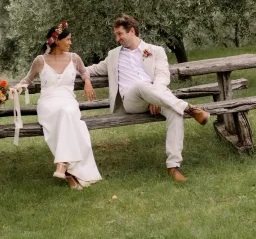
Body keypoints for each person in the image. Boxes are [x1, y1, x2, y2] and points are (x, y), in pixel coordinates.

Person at [85, 15, 210, 182]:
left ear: (131, 31)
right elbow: (91, 69)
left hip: (156, 97)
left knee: (175, 113)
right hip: (131, 101)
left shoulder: (156, 50)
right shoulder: (113, 55)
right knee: (141, 85)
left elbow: (163, 76)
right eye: (116, 34)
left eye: (119, 34)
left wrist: (154, 98)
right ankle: (190, 108)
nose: (117, 38)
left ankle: (173, 167)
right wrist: (76, 72)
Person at [16, 21, 102, 190]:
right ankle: (65, 166)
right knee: (67, 115)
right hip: (48, 104)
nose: (70, 43)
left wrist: (87, 81)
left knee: (67, 111)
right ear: (56, 40)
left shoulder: (74, 58)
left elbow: (84, 71)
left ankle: (63, 165)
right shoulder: (40, 61)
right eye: (68, 39)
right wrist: (14, 89)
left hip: (68, 100)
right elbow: (27, 79)